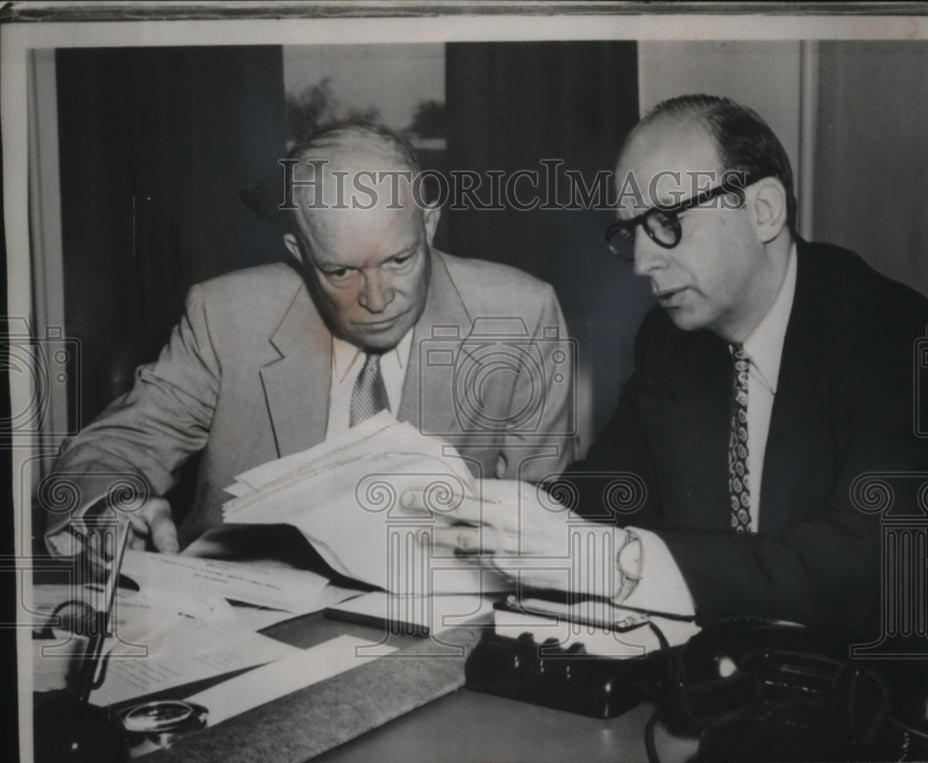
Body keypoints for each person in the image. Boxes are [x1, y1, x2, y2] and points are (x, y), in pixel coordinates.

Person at [430, 95, 928, 642]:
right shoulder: (670, 339)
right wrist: (484, 522)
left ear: (763, 210)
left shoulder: (899, 336)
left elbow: (860, 564)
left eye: (667, 220)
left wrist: (617, 562)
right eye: (632, 232)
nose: (644, 262)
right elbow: (614, 489)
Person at [44, 121, 574, 557]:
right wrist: (107, 511)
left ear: (429, 225)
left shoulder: (520, 316)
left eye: (398, 260)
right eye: (341, 271)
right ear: (299, 253)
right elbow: (112, 448)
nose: (376, 297)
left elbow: (541, 508)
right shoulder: (226, 316)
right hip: (236, 618)